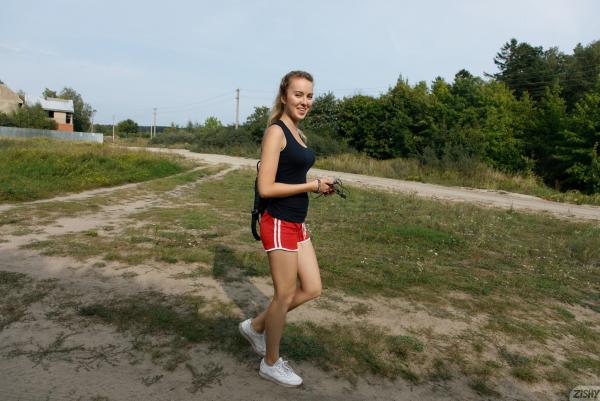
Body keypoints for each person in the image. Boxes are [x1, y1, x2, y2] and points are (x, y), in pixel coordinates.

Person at [239, 70, 334, 387]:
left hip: (296, 222)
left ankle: (256, 327)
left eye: (309, 96)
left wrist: (319, 185)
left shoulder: (298, 132)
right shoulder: (276, 132)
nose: (305, 101)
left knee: (313, 287)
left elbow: (292, 175)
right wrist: (311, 185)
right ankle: (270, 362)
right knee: (284, 295)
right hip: (278, 221)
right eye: (298, 94)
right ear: (284, 96)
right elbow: (266, 187)